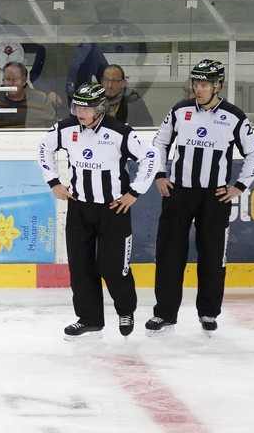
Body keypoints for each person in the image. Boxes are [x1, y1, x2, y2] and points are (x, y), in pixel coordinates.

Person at [147, 59, 254, 337]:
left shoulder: (234, 116)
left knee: (212, 257)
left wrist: (239, 186)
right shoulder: (180, 110)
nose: (197, 90)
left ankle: (209, 313)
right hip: (178, 193)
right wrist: (160, 174)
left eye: (203, 85)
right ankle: (164, 314)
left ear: (217, 86)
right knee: (169, 255)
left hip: (215, 198)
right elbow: (160, 142)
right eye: (195, 84)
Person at [38, 82, 158, 340]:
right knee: (80, 267)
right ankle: (89, 319)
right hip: (79, 209)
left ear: (100, 108)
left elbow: (151, 156)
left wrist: (135, 192)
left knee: (114, 267)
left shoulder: (119, 132)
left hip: (114, 209)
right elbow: (44, 148)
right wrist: (53, 181)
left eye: (87, 107)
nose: (80, 112)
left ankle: (126, 310)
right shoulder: (66, 128)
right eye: (77, 106)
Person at [0, 61, 55, 128]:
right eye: (7, 79)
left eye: (15, 79)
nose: (10, 83)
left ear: (24, 81)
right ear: (3, 80)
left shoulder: (41, 99)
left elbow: (53, 126)